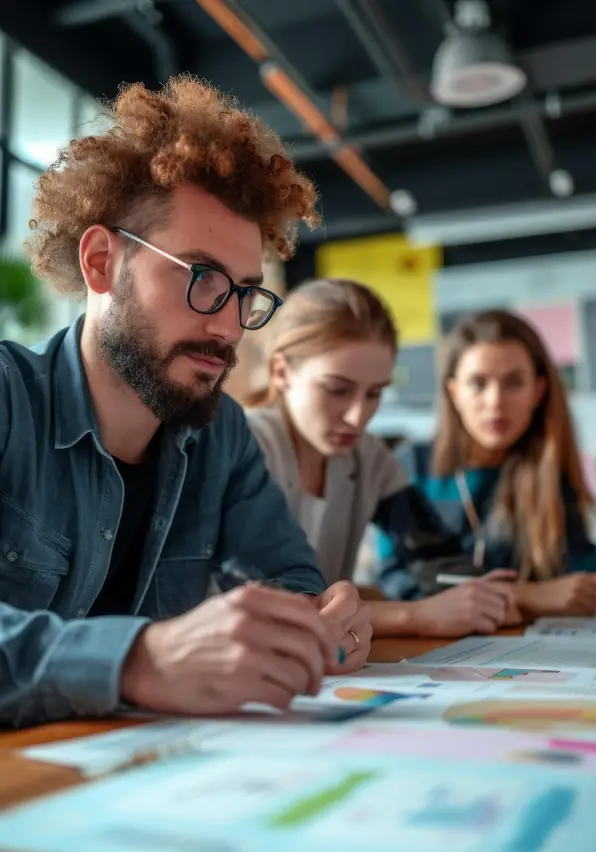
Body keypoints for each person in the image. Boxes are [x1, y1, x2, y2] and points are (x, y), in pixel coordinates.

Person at [0, 77, 371, 729]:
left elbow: (294, 586)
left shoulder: (220, 433)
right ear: (100, 263)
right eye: (203, 278)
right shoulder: (8, 402)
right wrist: (139, 661)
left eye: (246, 294)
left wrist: (322, 620)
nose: (229, 329)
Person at [244, 278, 517, 639]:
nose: (359, 417)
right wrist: (416, 616)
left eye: (374, 394)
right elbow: (261, 607)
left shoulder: (367, 456)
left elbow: (436, 562)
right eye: (337, 390)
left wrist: (480, 595)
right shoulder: (244, 445)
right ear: (281, 372)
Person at [379, 308, 596, 617]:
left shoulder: (547, 469)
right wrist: (523, 594)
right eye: (478, 383)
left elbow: (577, 576)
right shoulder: (411, 467)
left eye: (513, 382)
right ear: (453, 391)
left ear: (538, 392)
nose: (495, 401)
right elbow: (399, 581)